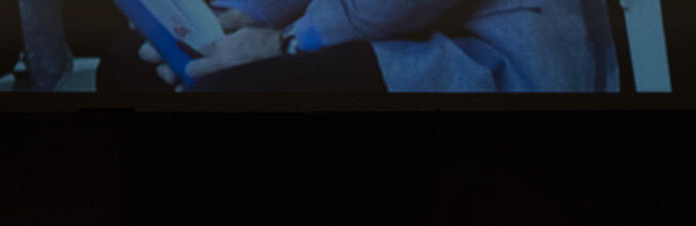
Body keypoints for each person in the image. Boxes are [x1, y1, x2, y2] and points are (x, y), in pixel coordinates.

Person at [137, 0, 619, 92]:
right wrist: (245, 16)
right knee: (138, 69)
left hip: (497, 61)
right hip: (396, 31)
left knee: (229, 88)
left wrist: (286, 41)